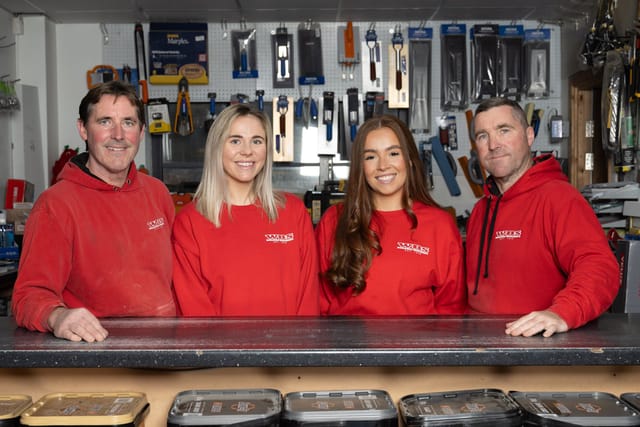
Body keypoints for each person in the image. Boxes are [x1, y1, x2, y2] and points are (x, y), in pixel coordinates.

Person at [12, 80, 176, 342]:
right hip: (97, 350)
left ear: (142, 132)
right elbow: (27, 296)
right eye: (105, 122)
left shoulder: (157, 193)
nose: (119, 135)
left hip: (165, 347)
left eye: (129, 123)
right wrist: (57, 316)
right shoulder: (55, 205)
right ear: (83, 129)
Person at [467, 97, 620, 337]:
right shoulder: (480, 210)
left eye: (504, 130)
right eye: (482, 136)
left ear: (529, 136)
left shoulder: (559, 198)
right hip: (482, 350)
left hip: (537, 349)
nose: (493, 144)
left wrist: (563, 312)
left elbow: (599, 267)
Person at [172, 104, 320, 315]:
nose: (247, 151)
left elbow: (308, 298)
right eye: (235, 141)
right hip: (222, 348)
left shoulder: (292, 212)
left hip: (287, 346)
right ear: (217, 147)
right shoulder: (190, 221)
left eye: (257, 141)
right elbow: (193, 309)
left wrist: (300, 346)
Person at [315, 115, 466, 315]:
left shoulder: (439, 225)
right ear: (361, 167)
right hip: (348, 344)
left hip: (417, 345)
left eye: (393, 153)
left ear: (410, 160)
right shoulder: (335, 220)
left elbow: (451, 307)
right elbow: (319, 298)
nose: (383, 165)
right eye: (370, 156)